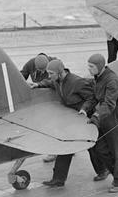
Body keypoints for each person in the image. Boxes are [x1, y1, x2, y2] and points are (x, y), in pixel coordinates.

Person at [34, 59, 109, 187]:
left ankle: (103, 170)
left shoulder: (77, 82)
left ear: (60, 72)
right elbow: (50, 83)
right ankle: (58, 179)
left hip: (85, 117)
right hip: (73, 119)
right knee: (66, 145)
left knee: (93, 147)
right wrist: (38, 85)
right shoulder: (57, 80)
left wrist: (84, 109)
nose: (49, 76)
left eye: (51, 73)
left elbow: (92, 97)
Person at [80, 53, 118, 193]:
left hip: (117, 118)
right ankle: (115, 174)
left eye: (91, 67)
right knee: (100, 148)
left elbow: (109, 104)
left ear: (100, 67)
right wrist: (85, 109)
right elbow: (94, 97)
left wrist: (96, 116)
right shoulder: (98, 78)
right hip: (105, 117)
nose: (89, 69)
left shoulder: (111, 80)